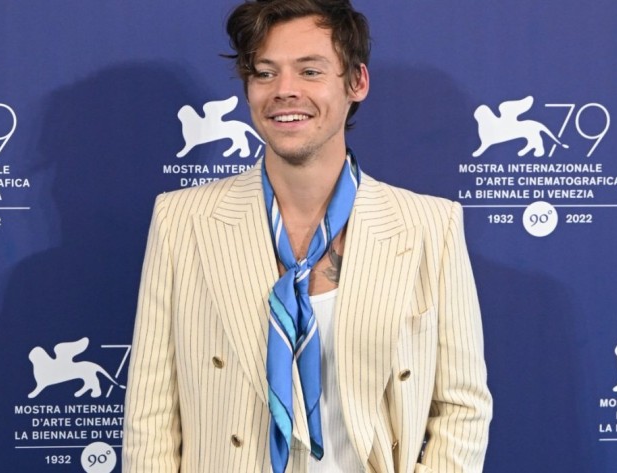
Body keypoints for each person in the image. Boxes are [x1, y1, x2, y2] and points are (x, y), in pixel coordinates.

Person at [123, 1, 492, 471]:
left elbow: (461, 406)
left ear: (356, 82)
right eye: (265, 73)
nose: (284, 90)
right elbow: (151, 416)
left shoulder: (430, 226)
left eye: (310, 71)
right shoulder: (181, 221)